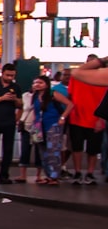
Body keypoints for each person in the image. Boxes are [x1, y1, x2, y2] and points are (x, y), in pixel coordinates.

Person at [65, 53, 106, 185]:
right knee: (77, 148)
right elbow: (76, 73)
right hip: (77, 118)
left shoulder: (101, 76)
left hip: (95, 119)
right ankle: (78, 172)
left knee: (93, 150)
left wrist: (101, 119)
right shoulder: (80, 78)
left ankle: (90, 172)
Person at [29, 75, 73, 185]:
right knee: (42, 151)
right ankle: (48, 175)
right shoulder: (35, 96)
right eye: (35, 83)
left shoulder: (53, 94)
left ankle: (55, 176)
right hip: (40, 126)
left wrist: (62, 117)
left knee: (53, 151)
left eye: (40, 82)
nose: (37, 85)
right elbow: (35, 111)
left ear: (46, 84)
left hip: (53, 125)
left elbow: (70, 105)